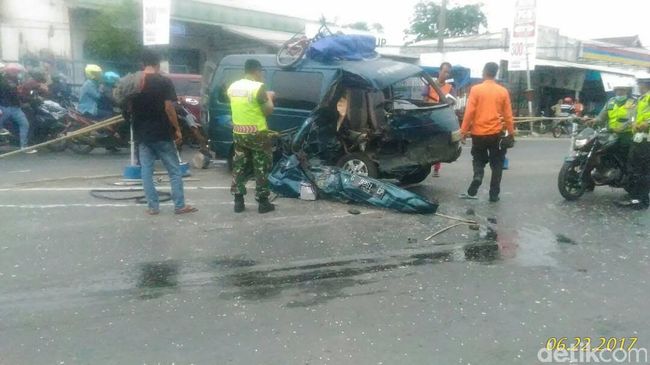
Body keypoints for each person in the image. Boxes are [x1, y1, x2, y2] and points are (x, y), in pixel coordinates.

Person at [131, 49, 197, 216]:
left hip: (142, 133)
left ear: (143, 63)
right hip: (161, 132)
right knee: (174, 170)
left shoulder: (135, 82)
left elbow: (128, 106)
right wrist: (177, 128)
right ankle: (179, 205)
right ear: (157, 63)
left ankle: (153, 207)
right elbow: (169, 108)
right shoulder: (163, 82)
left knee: (146, 170)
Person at [459, 62, 514, 202]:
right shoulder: (503, 91)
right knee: (497, 165)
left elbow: (469, 112)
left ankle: (478, 176)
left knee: (478, 159)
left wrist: (463, 131)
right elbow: (508, 115)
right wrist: (511, 133)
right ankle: (494, 194)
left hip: (478, 133)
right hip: (496, 133)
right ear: (495, 73)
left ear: (484, 72)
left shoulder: (476, 89)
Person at [228, 59, 276, 214]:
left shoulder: (233, 87)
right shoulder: (258, 87)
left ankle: (238, 201)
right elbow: (268, 110)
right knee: (261, 166)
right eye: (261, 71)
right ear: (256, 70)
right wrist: (269, 97)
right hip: (257, 133)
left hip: (239, 132)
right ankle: (263, 203)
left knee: (239, 165)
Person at [616, 78, 650, 210]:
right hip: (638, 138)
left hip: (647, 139)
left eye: (640, 84)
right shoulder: (641, 99)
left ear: (646, 84)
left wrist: (647, 123)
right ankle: (636, 198)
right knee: (635, 169)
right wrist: (633, 122)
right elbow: (634, 116)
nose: (639, 86)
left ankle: (641, 200)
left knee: (642, 171)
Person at [590, 84, 636, 164]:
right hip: (611, 134)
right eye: (617, 89)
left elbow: (634, 118)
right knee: (603, 153)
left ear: (627, 90)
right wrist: (594, 120)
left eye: (622, 89)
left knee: (626, 158)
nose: (619, 92)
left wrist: (625, 127)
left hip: (626, 135)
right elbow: (601, 117)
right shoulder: (611, 101)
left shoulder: (633, 102)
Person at [424, 62, 453, 177]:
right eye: (444, 71)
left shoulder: (450, 88)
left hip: (441, 119)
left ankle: (436, 168)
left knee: (439, 144)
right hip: (429, 117)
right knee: (427, 143)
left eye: (448, 72)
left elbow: (452, 102)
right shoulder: (429, 84)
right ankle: (425, 166)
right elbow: (424, 100)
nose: (446, 74)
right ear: (439, 71)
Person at [0, 63, 35, 153]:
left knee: (25, 124)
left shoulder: (16, 80)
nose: (16, 72)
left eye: (17, 71)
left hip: (16, 108)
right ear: (8, 71)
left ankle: (24, 146)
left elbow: (18, 93)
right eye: (14, 71)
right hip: (4, 107)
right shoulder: (2, 80)